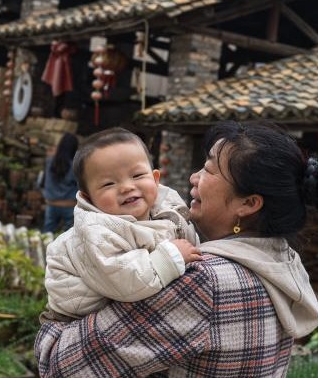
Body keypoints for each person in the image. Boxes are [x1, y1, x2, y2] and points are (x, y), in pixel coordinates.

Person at [36, 120, 318, 378]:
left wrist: (53, 326)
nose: (194, 178)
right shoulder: (280, 264)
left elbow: (61, 366)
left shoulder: (202, 281)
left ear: (248, 203)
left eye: (208, 170)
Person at [44, 128, 202, 319]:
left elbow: (187, 237)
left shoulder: (169, 209)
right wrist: (170, 256)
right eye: (109, 184)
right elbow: (125, 280)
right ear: (88, 198)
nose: (127, 187)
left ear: (155, 179)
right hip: (76, 314)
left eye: (137, 176)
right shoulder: (95, 231)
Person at [42, 133, 79, 234]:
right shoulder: (75, 166)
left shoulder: (49, 162)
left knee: (47, 234)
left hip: (51, 204)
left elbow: (43, 181)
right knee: (69, 237)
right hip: (69, 205)